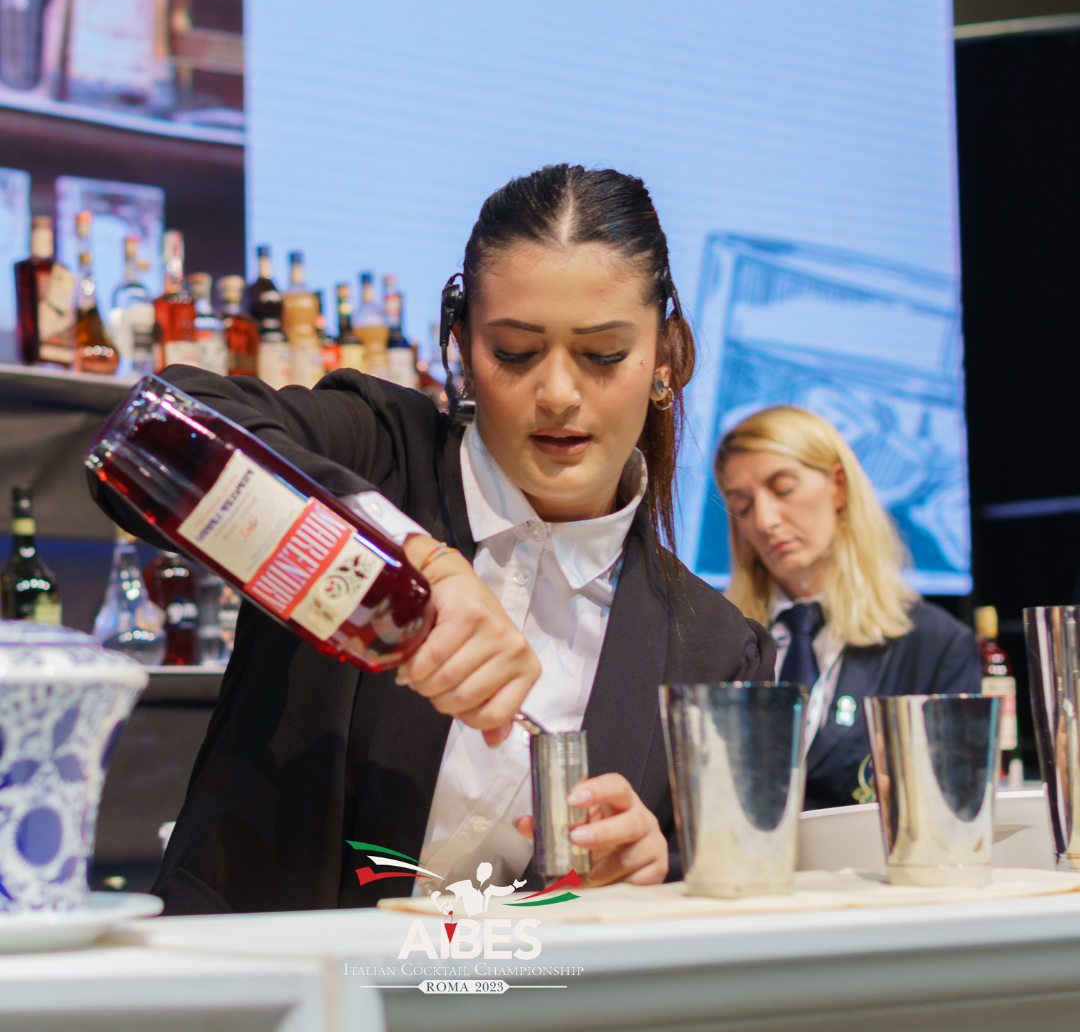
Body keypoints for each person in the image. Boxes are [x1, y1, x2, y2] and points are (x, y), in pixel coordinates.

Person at [91, 164, 774, 915]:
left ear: (665, 360)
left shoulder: (713, 649)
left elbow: (723, 911)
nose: (556, 393)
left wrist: (657, 872)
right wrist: (412, 561)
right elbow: (151, 435)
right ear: (463, 346)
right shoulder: (376, 450)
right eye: (514, 351)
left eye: (603, 354)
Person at [713, 405, 981, 811]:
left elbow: (956, 809)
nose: (765, 521)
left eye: (783, 488)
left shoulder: (937, 645)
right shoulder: (719, 639)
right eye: (743, 505)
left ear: (838, 486)